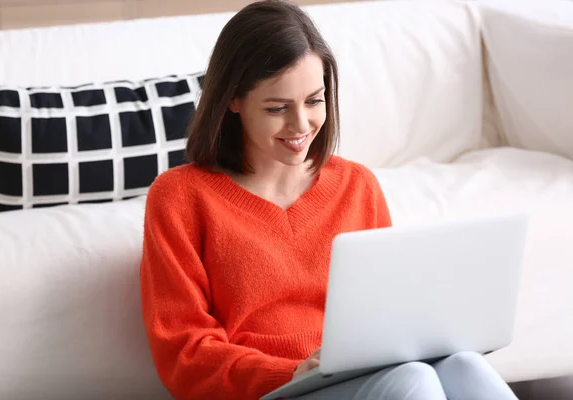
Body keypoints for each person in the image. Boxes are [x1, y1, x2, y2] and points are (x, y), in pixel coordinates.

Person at [140, 1, 520, 399]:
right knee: (413, 382)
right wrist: (289, 372)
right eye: (277, 108)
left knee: (464, 364)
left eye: (314, 100)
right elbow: (183, 352)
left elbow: (388, 316)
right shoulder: (179, 197)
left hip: (356, 375)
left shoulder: (357, 186)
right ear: (232, 99)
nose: (301, 125)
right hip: (268, 389)